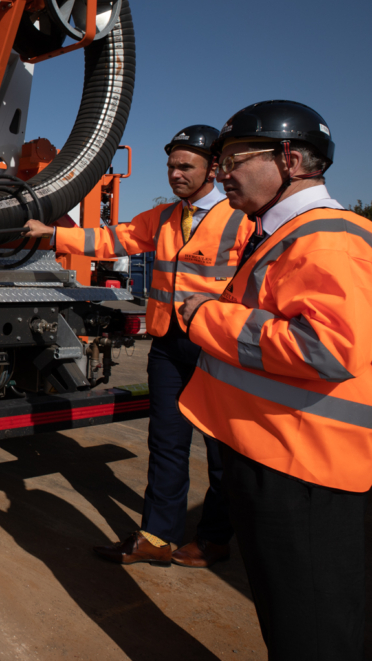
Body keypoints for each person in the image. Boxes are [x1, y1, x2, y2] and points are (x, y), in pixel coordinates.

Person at [178, 101, 370, 660]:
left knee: (311, 632)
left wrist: (204, 315)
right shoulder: (284, 233)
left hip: (306, 467)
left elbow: (326, 348)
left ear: (291, 159)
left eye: (236, 157)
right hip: (278, 451)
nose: (222, 172)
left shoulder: (329, 238)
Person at [24, 125, 253, 566]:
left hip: (218, 346)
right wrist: (53, 235)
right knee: (167, 442)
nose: (175, 174)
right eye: (171, 165)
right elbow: (111, 240)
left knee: (223, 451)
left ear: (215, 169)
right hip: (168, 343)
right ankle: (157, 536)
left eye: (186, 166)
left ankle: (214, 539)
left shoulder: (242, 218)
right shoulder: (165, 217)